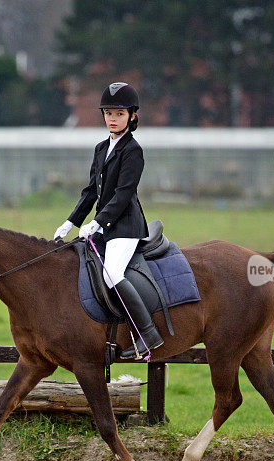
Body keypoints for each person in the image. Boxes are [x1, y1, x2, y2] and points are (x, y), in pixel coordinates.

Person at [53, 82, 163, 359]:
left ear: (132, 116)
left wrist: (99, 222)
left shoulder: (133, 150)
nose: (113, 119)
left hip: (125, 227)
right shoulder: (101, 148)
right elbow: (91, 191)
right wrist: (70, 223)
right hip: (104, 225)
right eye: (109, 113)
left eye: (119, 114)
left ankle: (147, 334)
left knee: (112, 273)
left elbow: (124, 194)